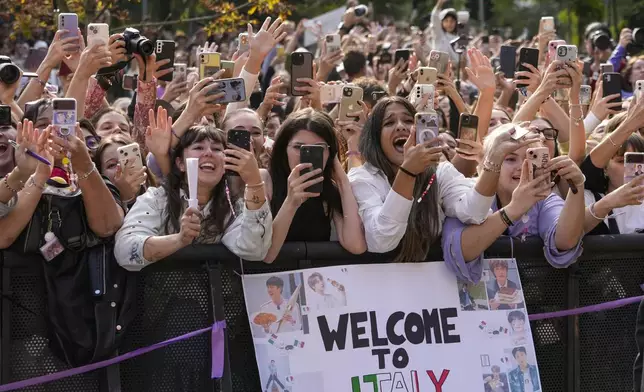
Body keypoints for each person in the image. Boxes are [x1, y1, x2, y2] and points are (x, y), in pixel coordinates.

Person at [349, 97, 533, 262]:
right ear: (375, 138)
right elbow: (381, 239)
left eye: (408, 120)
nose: (400, 126)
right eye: (389, 123)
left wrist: (494, 158)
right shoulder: (362, 178)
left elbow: (474, 212)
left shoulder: (440, 172)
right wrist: (408, 173)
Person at [442, 124, 586, 284]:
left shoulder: (543, 199)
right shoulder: (469, 193)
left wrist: (577, 187)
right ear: (486, 164)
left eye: (531, 158)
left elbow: (565, 242)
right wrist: (514, 210)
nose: (521, 166)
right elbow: (459, 251)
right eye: (510, 159)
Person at [114, 126, 273, 270]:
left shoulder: (233, 206)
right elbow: (125, 250)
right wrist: (179, 240)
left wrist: (254, 182)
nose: (209, 153)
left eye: (217, 149)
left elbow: (255, 249)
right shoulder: (157, 200)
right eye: (198, 147)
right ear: (180, 163)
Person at [263, 108, 366, 262]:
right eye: (299, 147)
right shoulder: (265, 179)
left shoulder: (329, 190)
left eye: (319, 149)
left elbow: (356, 246)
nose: (307, 155)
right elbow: (267, 255)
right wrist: (291, 203)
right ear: (284, 149)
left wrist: (342, 182)